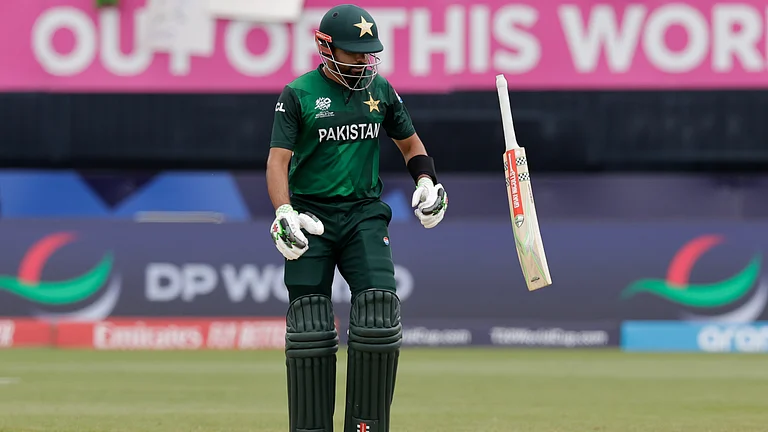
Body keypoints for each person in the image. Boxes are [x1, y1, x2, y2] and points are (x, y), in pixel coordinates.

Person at [266, 4, 448, 432]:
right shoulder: (299, 94)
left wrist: (427, 181)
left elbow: (410, 145)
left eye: (369, 53)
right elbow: (278, 162)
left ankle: (366, 428)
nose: (365, 61)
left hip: (364, 215)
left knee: (379, 313)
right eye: (355, 53)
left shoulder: (380, 91)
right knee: (309, 324)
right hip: (311, 219)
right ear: (325, 48)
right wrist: (284, 213)